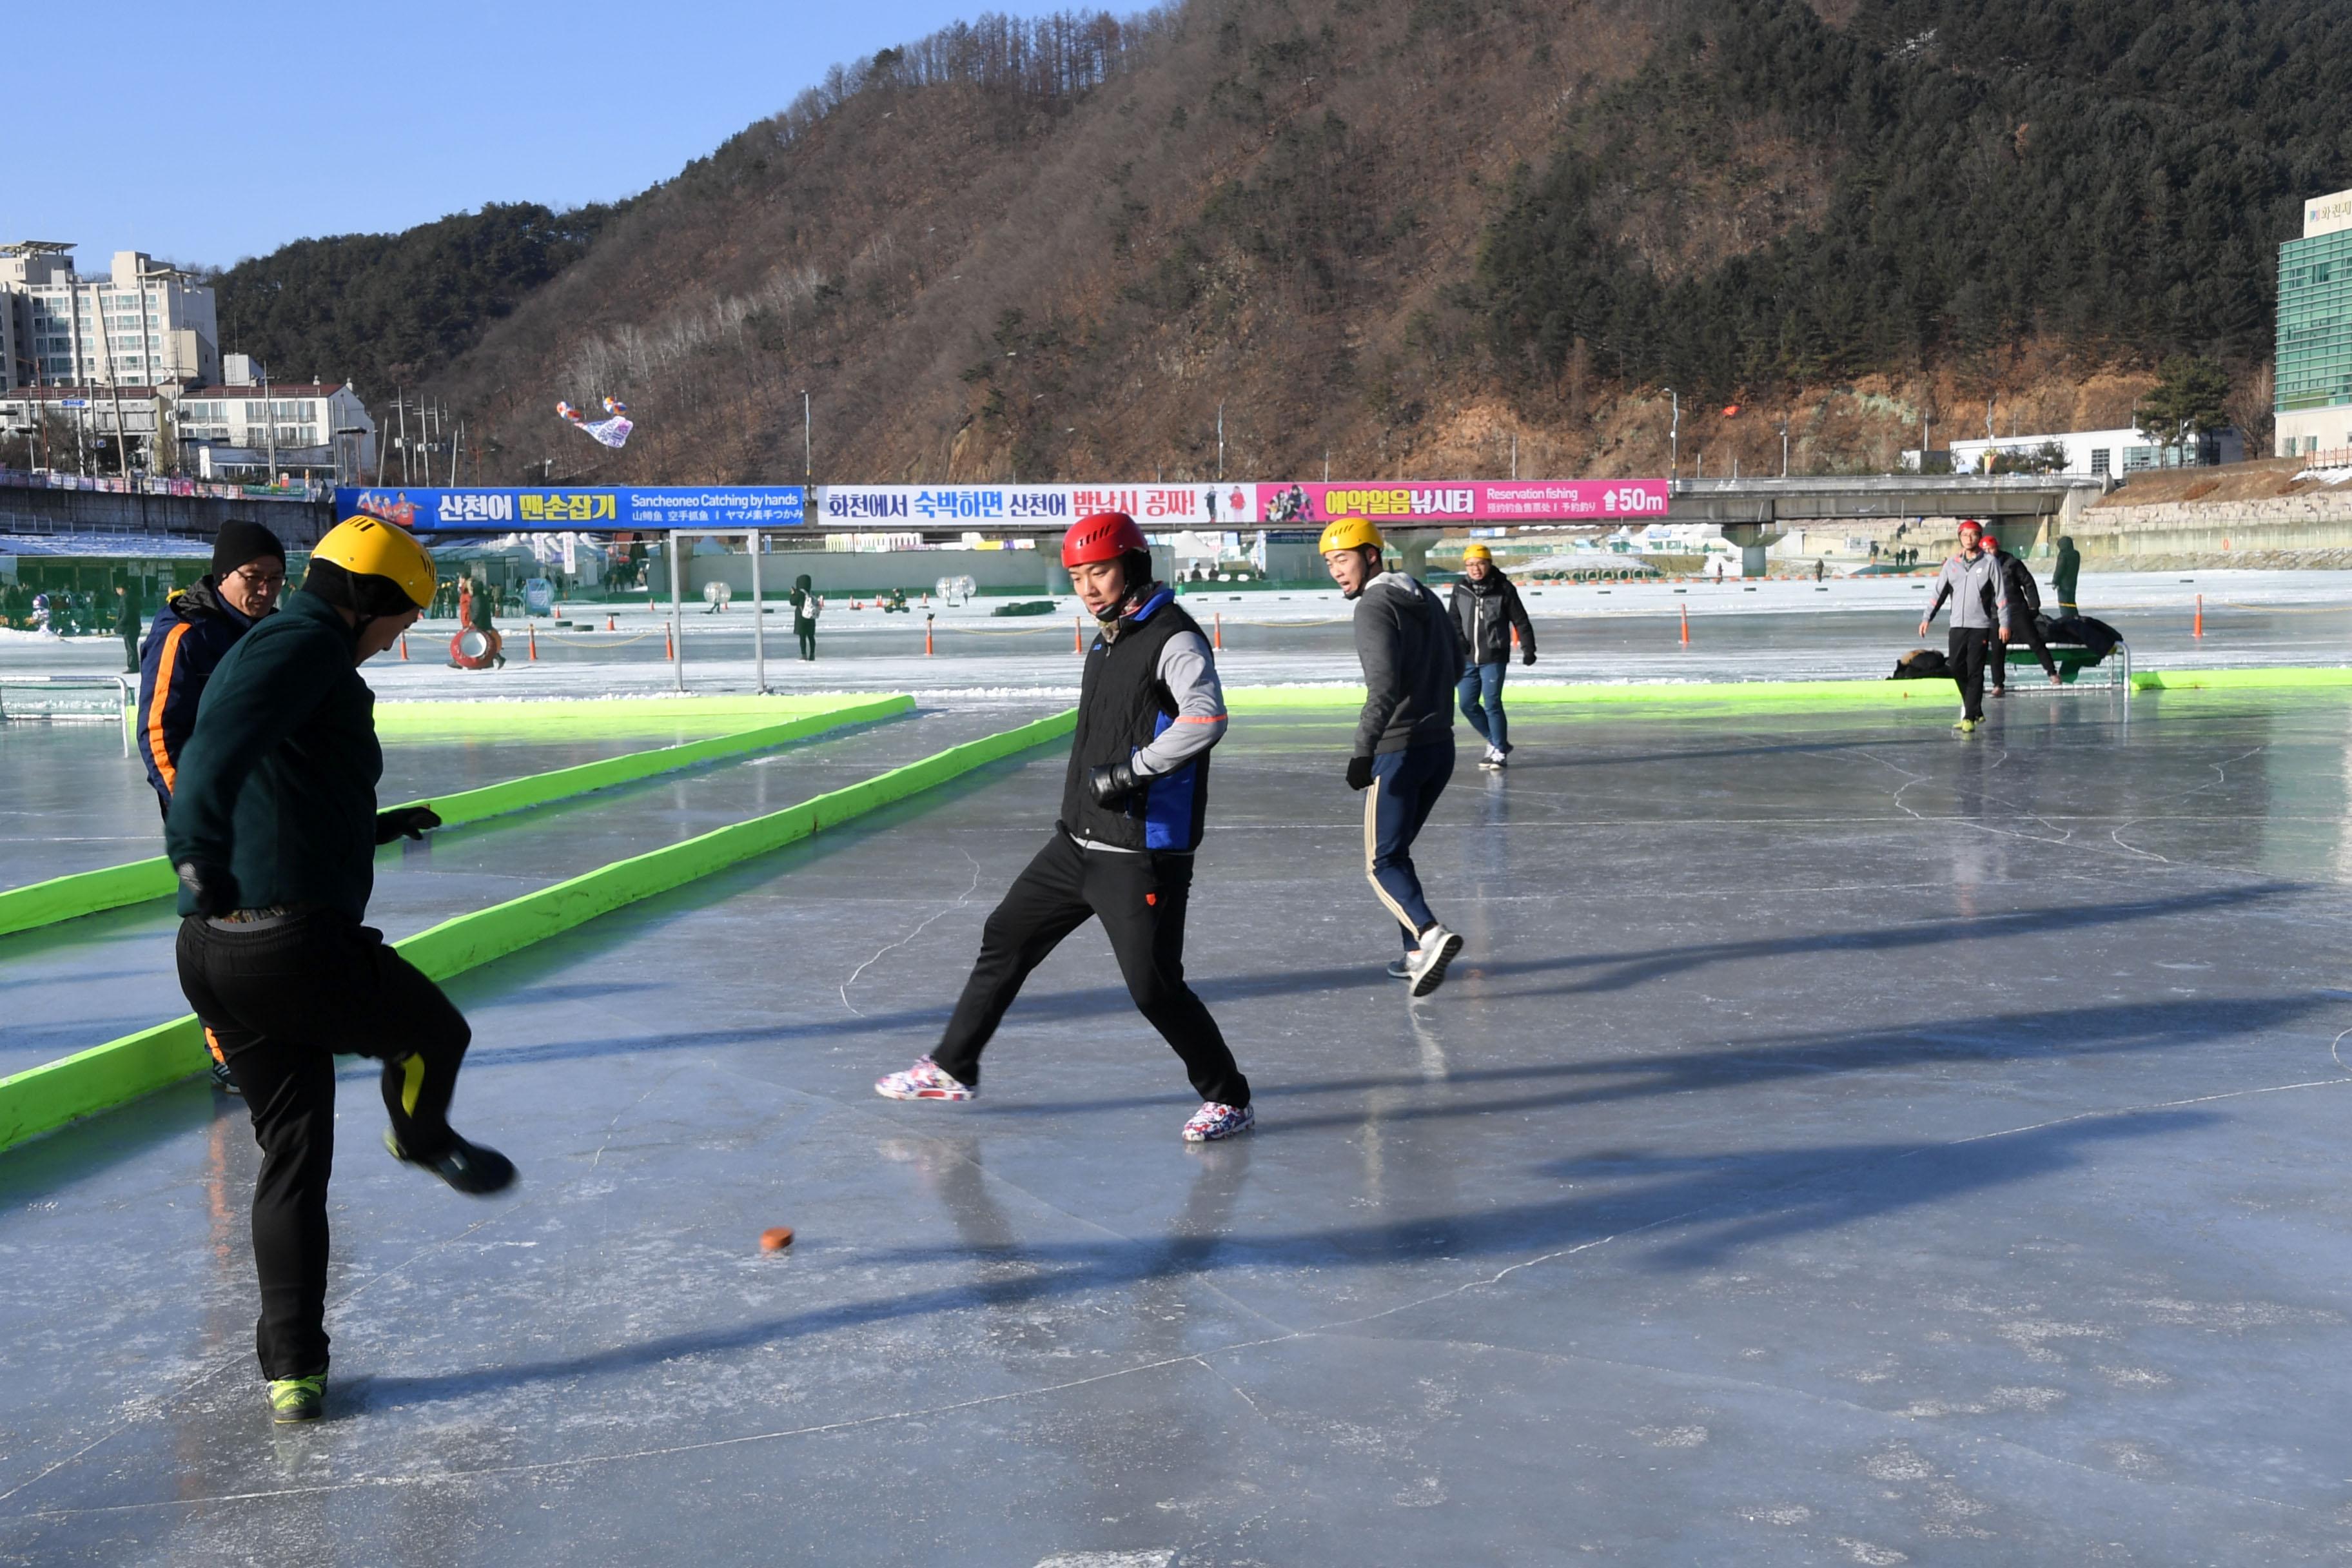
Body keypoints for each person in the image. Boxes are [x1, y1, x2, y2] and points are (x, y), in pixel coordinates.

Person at [168, 516, 515, 1426]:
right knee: (437, 1034)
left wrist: (375, 827)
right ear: (367, 600)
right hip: (290, 948)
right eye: (401, 618)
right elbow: (213, 753)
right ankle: (417, 1134)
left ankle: (294, 1372)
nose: (400, 637)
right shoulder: (307, 643)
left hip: (218, 957)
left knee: (293, 1157)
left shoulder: (278, 645)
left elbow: (288, 790)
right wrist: (194, 849)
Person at [874, 513, 1253, 1141]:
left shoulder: (1173, 637)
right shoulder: (1109, 637)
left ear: (1132, 565)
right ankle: (952, 1065)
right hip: (1076, 841)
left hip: (1140, 850)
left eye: (1099, 570)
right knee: (1005, 935)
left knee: (1154, 987)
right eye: (1078, 575)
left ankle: (1229, 1097)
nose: (1088, 586)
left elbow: (1206, 719)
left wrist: (1134, 771)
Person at [1322, 516, 1464, 995]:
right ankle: (1415, 954)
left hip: (1398, 752)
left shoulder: (1374, 605)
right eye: (1329, 562)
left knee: (1380, 863)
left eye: (1343, 558)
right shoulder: (1423, 595)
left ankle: (1430, 933)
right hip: (1439, 747)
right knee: (1397, 852)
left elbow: (1381, 687)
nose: (1336, 571)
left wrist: (1362, 753)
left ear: (1372, 555)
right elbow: (1460, 660)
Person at [1447, 543, 1536, 770]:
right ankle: (1498, 742)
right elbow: (1453, 620)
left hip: (1494, 655)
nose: (1475, 569)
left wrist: (1529, 649)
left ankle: (1499, 752)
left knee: (1492, 703)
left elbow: (1521, 620)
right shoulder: (1460, 588)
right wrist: (1458, 643)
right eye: (1470, 565)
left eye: (1480, 564)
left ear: (1489, 564)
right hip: (1466, 658)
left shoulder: (1503, 588)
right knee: (1467, 704)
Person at [1917, 519, 2009, 732]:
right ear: (1960, 537)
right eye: (1965, 535)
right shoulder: (1951, 565)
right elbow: (1938, 594)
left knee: (1975, 670)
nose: (1969, 538)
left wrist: (2004, 623)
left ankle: (1969, 717)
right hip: (1957, 625)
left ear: (1979, 537)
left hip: (1980, 625)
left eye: (1974, 535)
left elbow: (2001, 596)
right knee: (1957, 667)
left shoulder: (1989, 563)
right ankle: (1975, 709)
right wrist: (1926, 618)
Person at [1983, 533, 2059, 696]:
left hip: (2016, 609)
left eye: (1991, 548)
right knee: (1997, 649)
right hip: (1996, 614)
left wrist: (2034, 606)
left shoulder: (2012, 563)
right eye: (1985, 550)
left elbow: (2028, 583)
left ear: (1997, 547)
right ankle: (1998, 684)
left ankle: (2052, 673)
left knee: (2035, 641)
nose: (1989, 552)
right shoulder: (1981, 567)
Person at [791, 573, 821, 660]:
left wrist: (793, 594)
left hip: (801, 618)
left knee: (803, 637)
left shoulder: (799, 593)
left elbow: (792, 602)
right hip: (811, 618)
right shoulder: (811, 593)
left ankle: (804, 655)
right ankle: (812, 655)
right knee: (811, 637)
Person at [2052, 534, 2081, 616]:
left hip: (2063, 586)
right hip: (2073, 584)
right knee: (2072, 604)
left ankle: (2067, 622)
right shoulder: (2076, 554)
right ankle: (2076, 621)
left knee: (2064, 606)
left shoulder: (2063, 555)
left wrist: (2055, 581)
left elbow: (2059, 570)